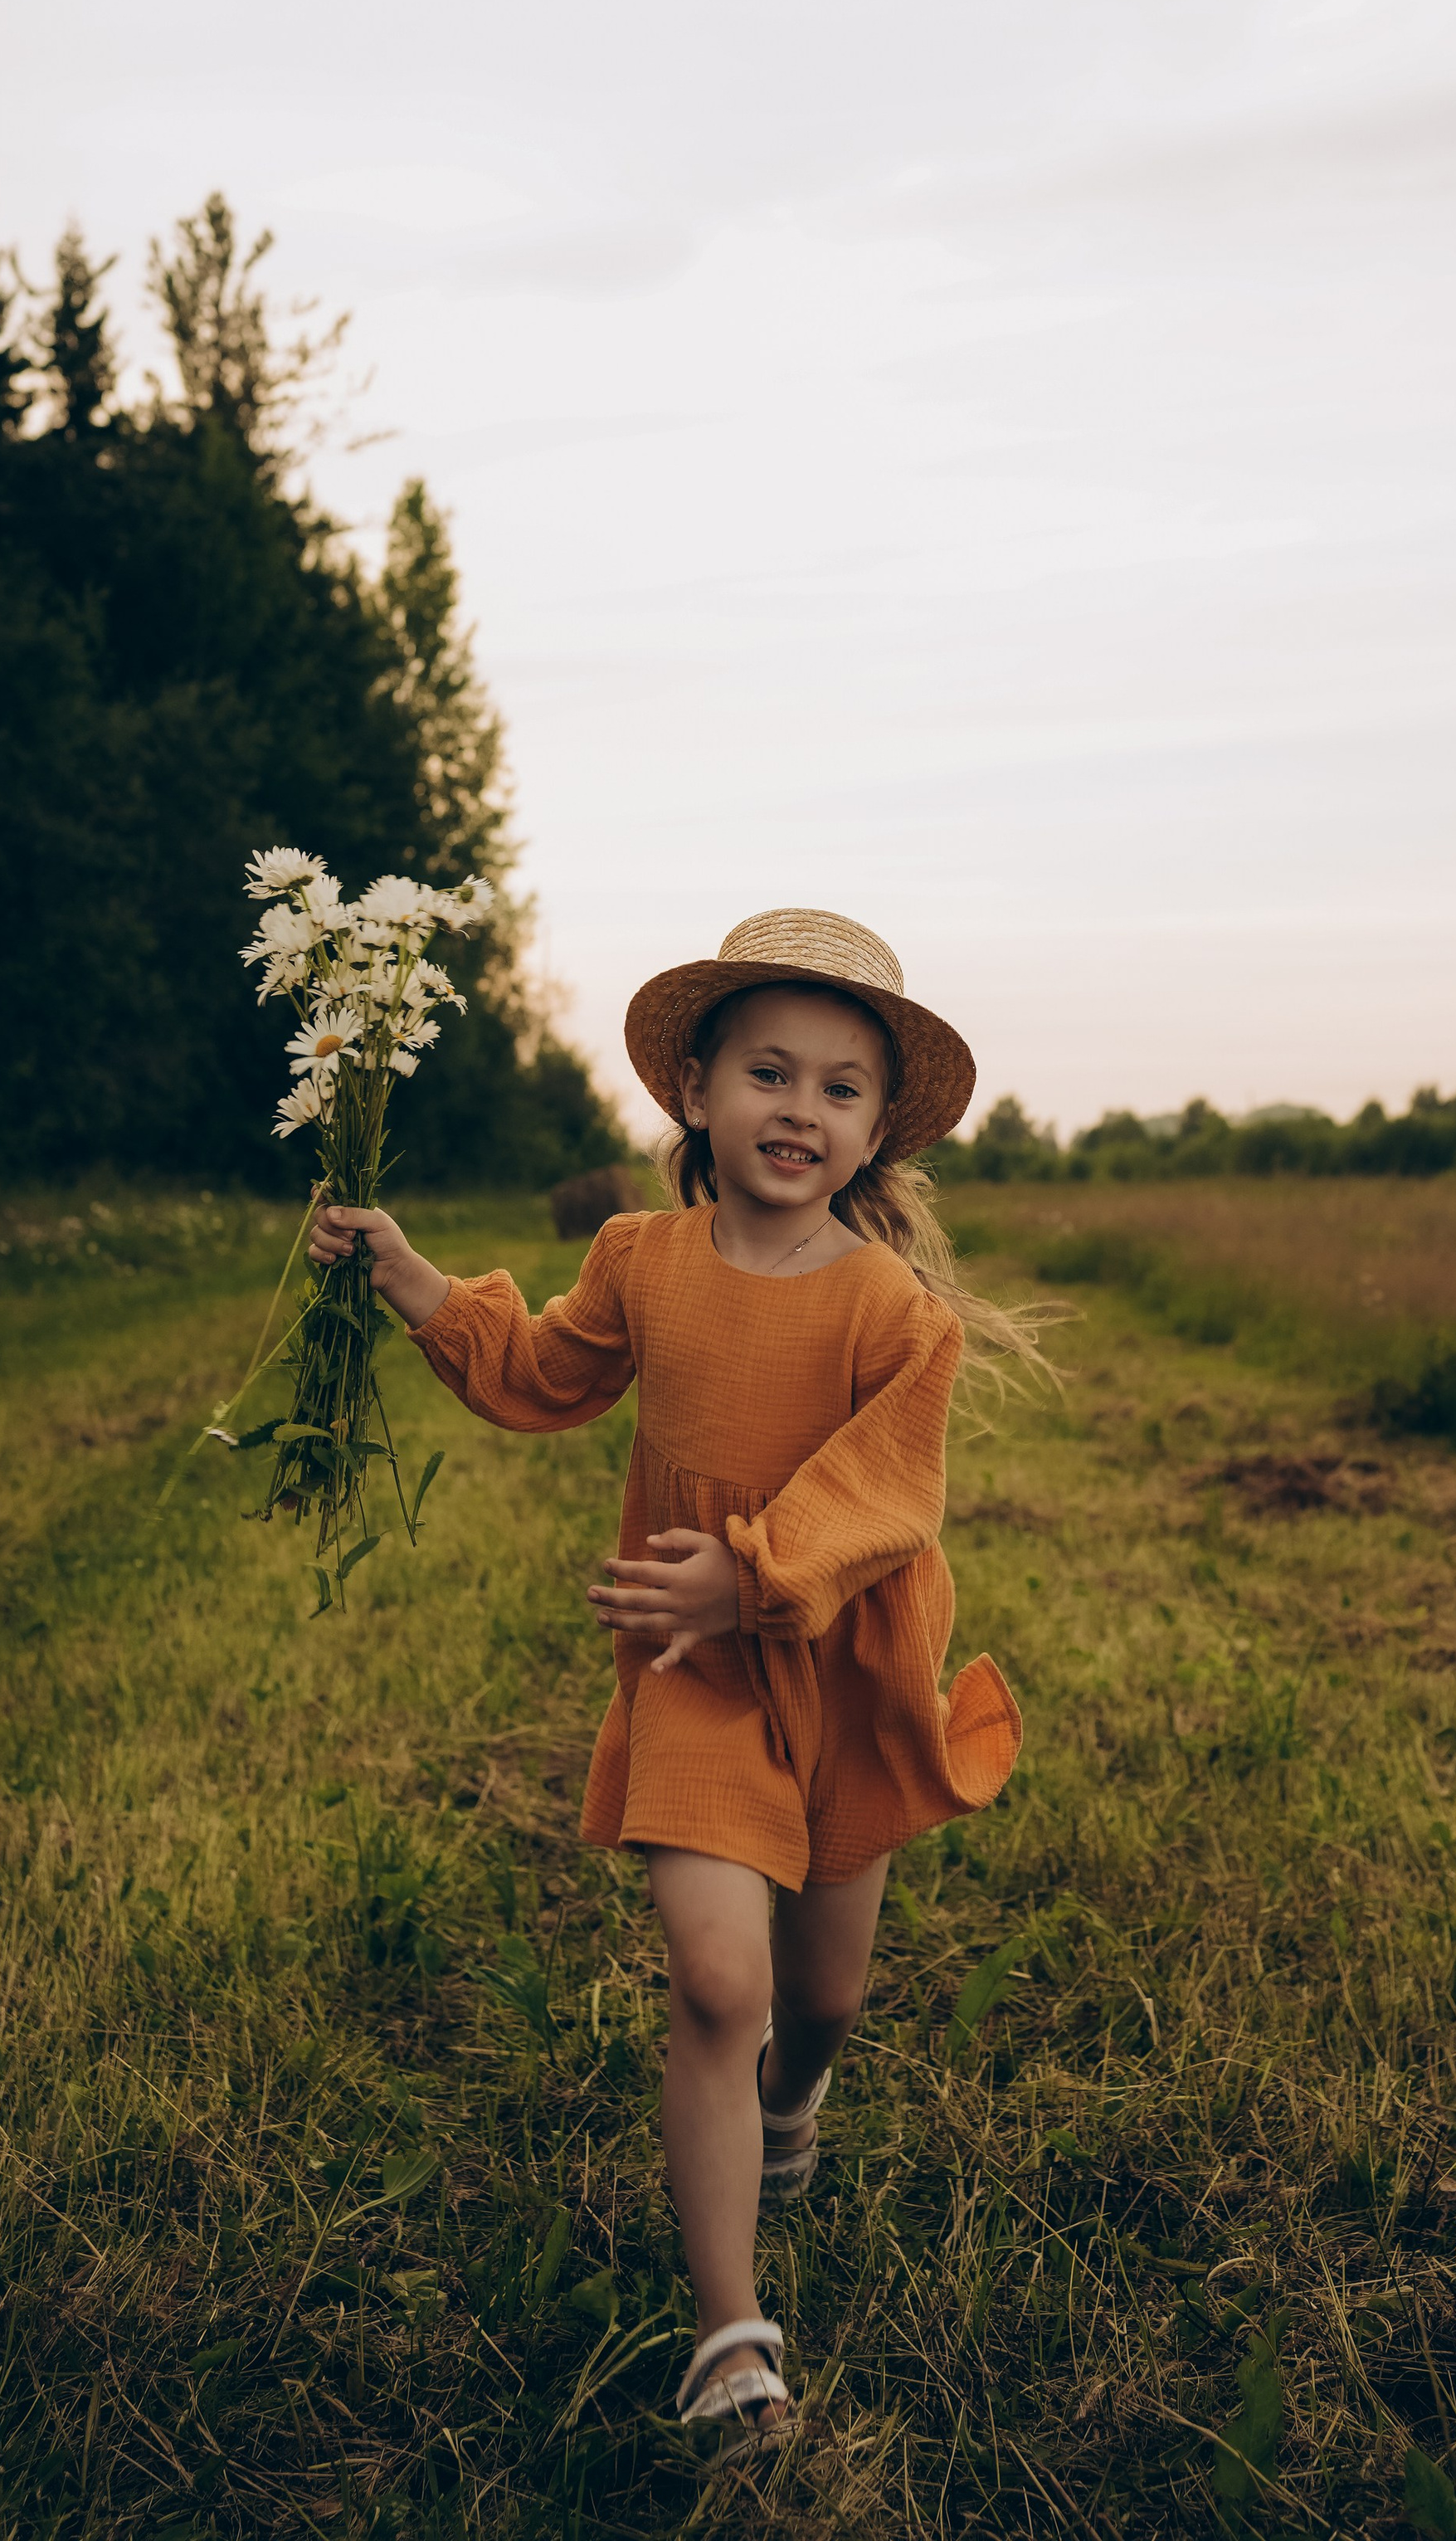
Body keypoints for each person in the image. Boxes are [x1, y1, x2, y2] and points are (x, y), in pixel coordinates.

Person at [308, 907, 1047, 2462]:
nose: (801, 1109)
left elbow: (887, 1496)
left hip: (841, 1668)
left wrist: (758, 1570)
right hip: (694, 1674)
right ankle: (730, 2339)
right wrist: (412, 1278)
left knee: (822, 1999)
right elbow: (546, 1374)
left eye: (841, 1089)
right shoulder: (642, 1258)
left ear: (874, 1132)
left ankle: (796, 2106)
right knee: (721, 1983)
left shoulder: (892, 1313)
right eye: (768, 1072)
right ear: (695, 1089)